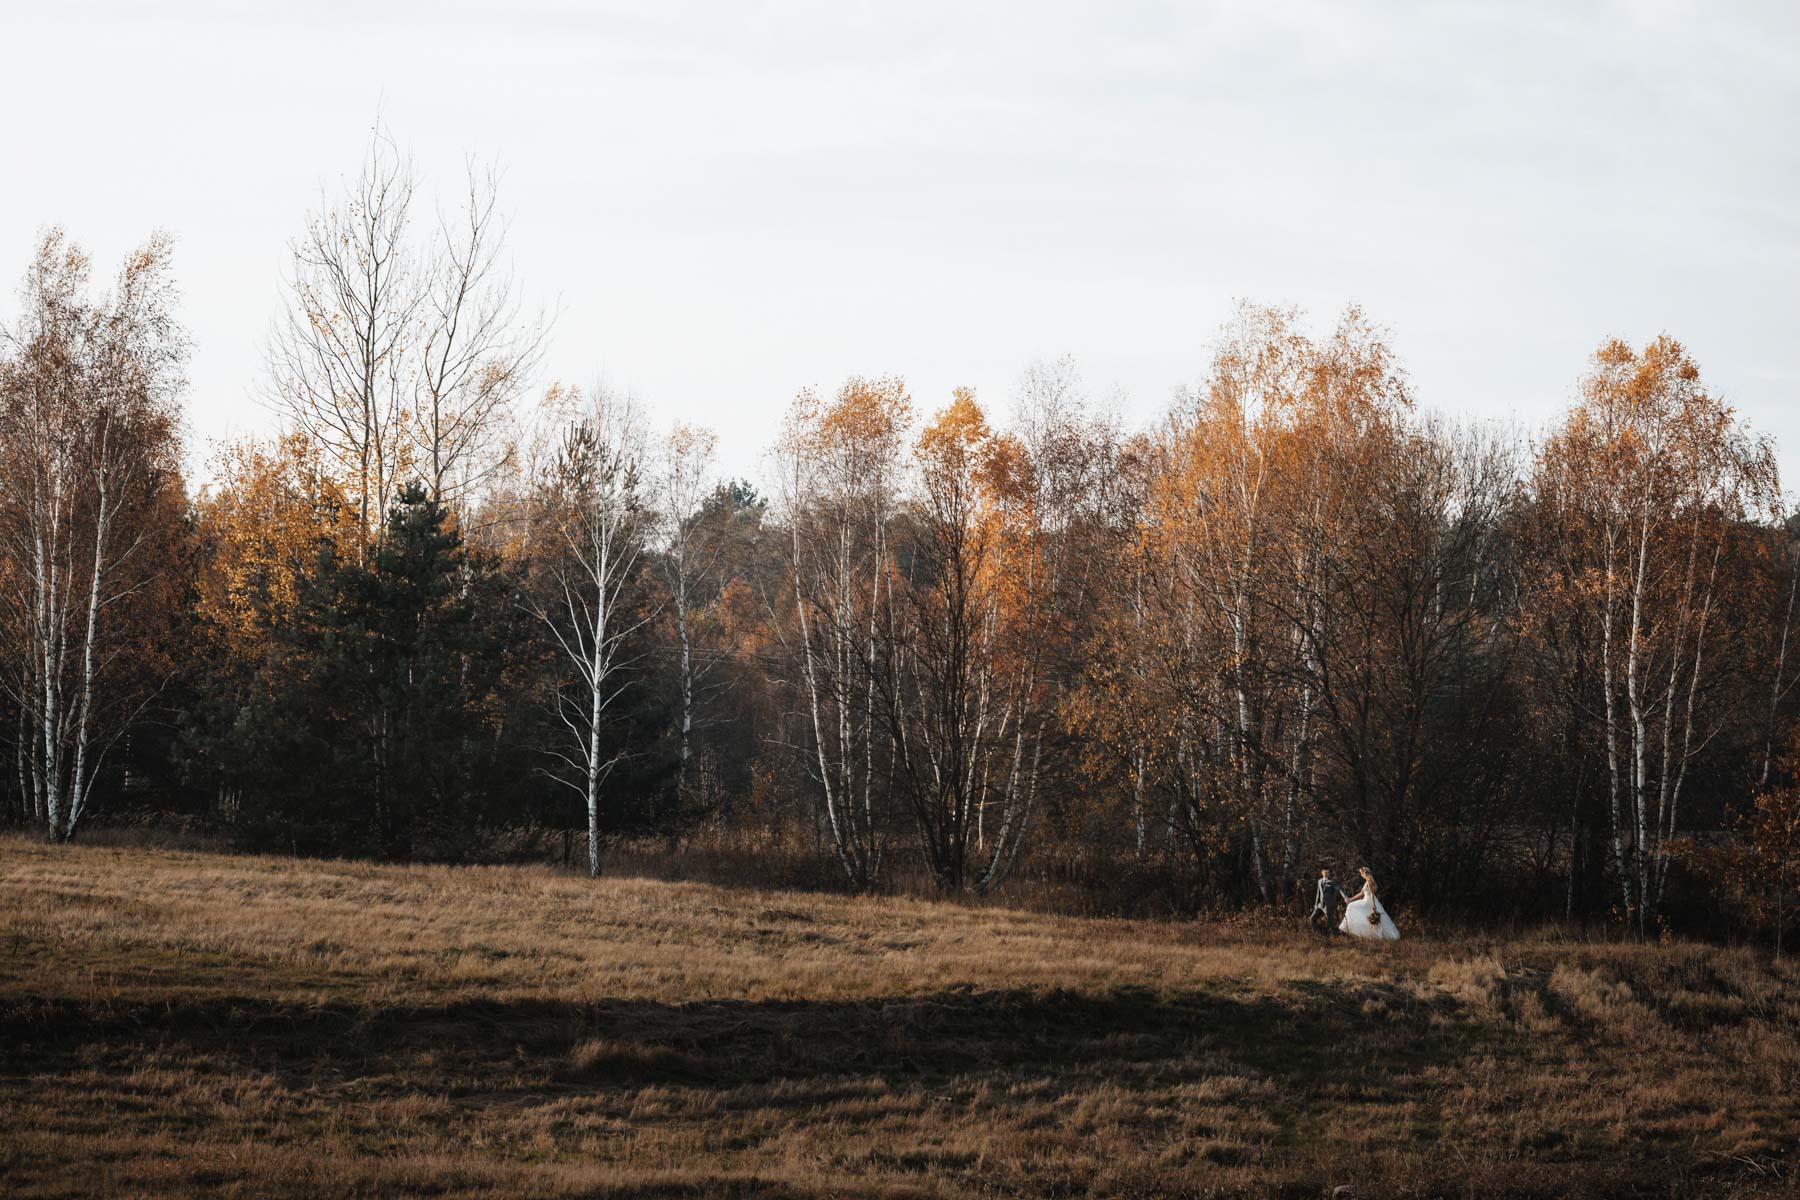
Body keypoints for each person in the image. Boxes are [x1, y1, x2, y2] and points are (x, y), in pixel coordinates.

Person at [1339, 867, 1401, 941]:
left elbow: (1371, 894)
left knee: (1351, 906)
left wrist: (1373, 906)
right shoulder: (1368, 880)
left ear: (1365, 873)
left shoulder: (1369, 881)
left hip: (1369, 901)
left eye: (1361, 873)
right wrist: (1350, 899)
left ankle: (1347, 927)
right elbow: (1361, 893)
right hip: (1369, 900)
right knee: (1367, 916)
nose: (1361, 875)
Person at [1309, 867, 1349, 936]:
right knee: (1312, 919)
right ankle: (1317, 934)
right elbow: (1318, 894)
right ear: (1322, 873)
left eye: (1328, 872)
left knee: (1331, 923)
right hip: (1320, 905)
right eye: (1325, 872)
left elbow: (1339, 889)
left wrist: (1345, 897)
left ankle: (1335, 936)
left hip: (1329, 905)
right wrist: (1316, 905)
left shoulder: (1332, 882)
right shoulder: (1319, 881)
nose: (1327, 874)